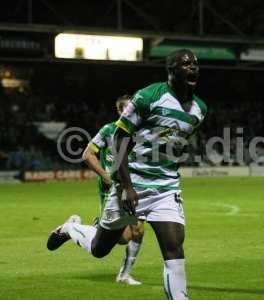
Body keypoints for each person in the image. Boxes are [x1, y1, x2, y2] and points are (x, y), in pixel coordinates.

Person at [47, 49, 206, 300]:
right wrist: (127, 185)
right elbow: (120, 138)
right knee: (101, 248)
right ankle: (70, 229)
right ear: (171, 69)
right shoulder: (148, 97)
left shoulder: (199, 109)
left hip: (166, 187)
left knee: (174, 248)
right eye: (186, 64)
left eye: (195, 64)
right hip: (133, 183)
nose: (193, 68)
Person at [82, 95, 144, 285]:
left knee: (138, 230)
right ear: (119, 111)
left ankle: (124, 275)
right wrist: (104, 175)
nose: (130, 112)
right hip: (111, 189)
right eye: (125, 109)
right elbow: (87, 155)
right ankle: (93, 227)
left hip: (133, 187)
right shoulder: (109, 130)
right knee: (123, 238)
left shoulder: (141, 132)